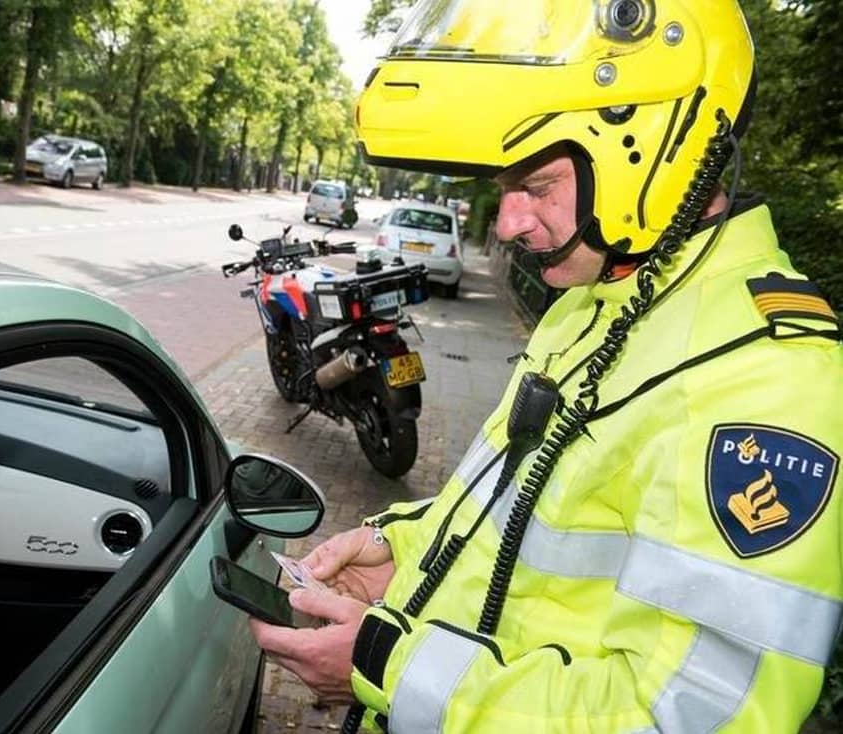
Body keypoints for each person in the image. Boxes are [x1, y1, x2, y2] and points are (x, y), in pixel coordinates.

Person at [250, 1, 843, 731]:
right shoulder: (593, 302)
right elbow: (511, 516)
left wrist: (388, 668)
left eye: (536, 186)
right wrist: (401, 549)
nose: (506, 224)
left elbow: (689, 715)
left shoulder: (767, 379)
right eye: (505, 189)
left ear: (654, 146)